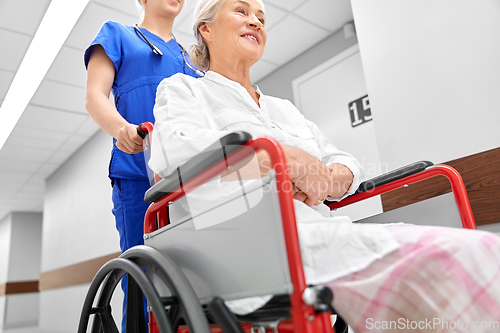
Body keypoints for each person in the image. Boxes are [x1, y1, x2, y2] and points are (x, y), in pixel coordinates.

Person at [149, 0, 500, 332]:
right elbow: (176, 153)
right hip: (242, 247)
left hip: (317, 231)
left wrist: (328, 178)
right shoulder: (184, 91)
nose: (256, 20)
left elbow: (342, 160)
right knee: (459, 257)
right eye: (241, 10)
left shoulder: (283, 108)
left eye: (261, 17)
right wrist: (283, 159)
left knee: (472, 255)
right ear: (205, 28)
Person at [84, 0, 202, 330]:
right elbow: (95, 96)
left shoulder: (191, 60)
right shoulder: (118, 35)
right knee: (141, 282)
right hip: (139, 176)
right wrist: (122, 129)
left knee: (193, 282)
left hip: (190, 181)